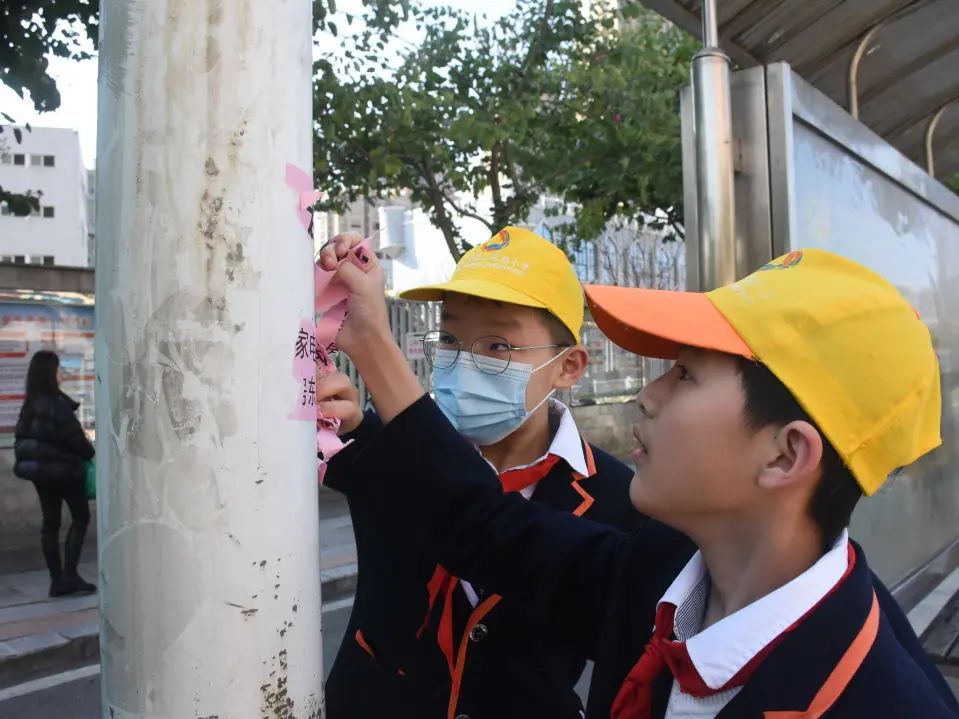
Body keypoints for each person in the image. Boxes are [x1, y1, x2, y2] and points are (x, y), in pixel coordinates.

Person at [320, 236, 959, 718]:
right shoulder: (662, 572)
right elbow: (481, 524)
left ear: (786, 456)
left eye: (685, 374)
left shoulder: (878, 699)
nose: (646, 396)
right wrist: (373, 352)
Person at [320, 227, 640, 719]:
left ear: (569, 366)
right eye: (448, 338)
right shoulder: (384, 444)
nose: (463, 361)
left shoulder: (619, 495)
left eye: (497, 346)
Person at [13, 351, 96, 598]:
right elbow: (78, 442)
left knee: (50, 523)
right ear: (50, 373)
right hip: (65, 472)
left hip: (41, 474)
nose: (61, 374)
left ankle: (56, 579)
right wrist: (87, 452)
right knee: (80, 517)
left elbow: (24, 442)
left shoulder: (29, 406)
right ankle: (70, 574)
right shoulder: (57, 405)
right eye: (58, 369)